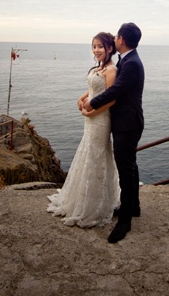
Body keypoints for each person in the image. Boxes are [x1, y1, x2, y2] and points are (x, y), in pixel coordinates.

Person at [47, 32, 121, 227]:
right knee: (87, 155)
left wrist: (92, 113)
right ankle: (82, 197)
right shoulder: (99, 68)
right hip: (90, 119)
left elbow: (112, 99)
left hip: (100, 120)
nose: (96, 50)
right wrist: (81, 98)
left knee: (96, 157)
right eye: (94, 46)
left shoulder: (111, 70)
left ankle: (95, 205)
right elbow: (94, 89)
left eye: (100, 46)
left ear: (110, 48)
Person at [81, 22, 144, 243]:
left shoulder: (132, 63)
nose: (115, 39)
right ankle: (133, 207)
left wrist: (92, 103)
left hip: (127, 124)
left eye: (117, 36)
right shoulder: (127, 60)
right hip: (127, 122)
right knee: (130, 166)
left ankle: (125, 221)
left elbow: (116, 90)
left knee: (126, 170)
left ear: (122, 40)